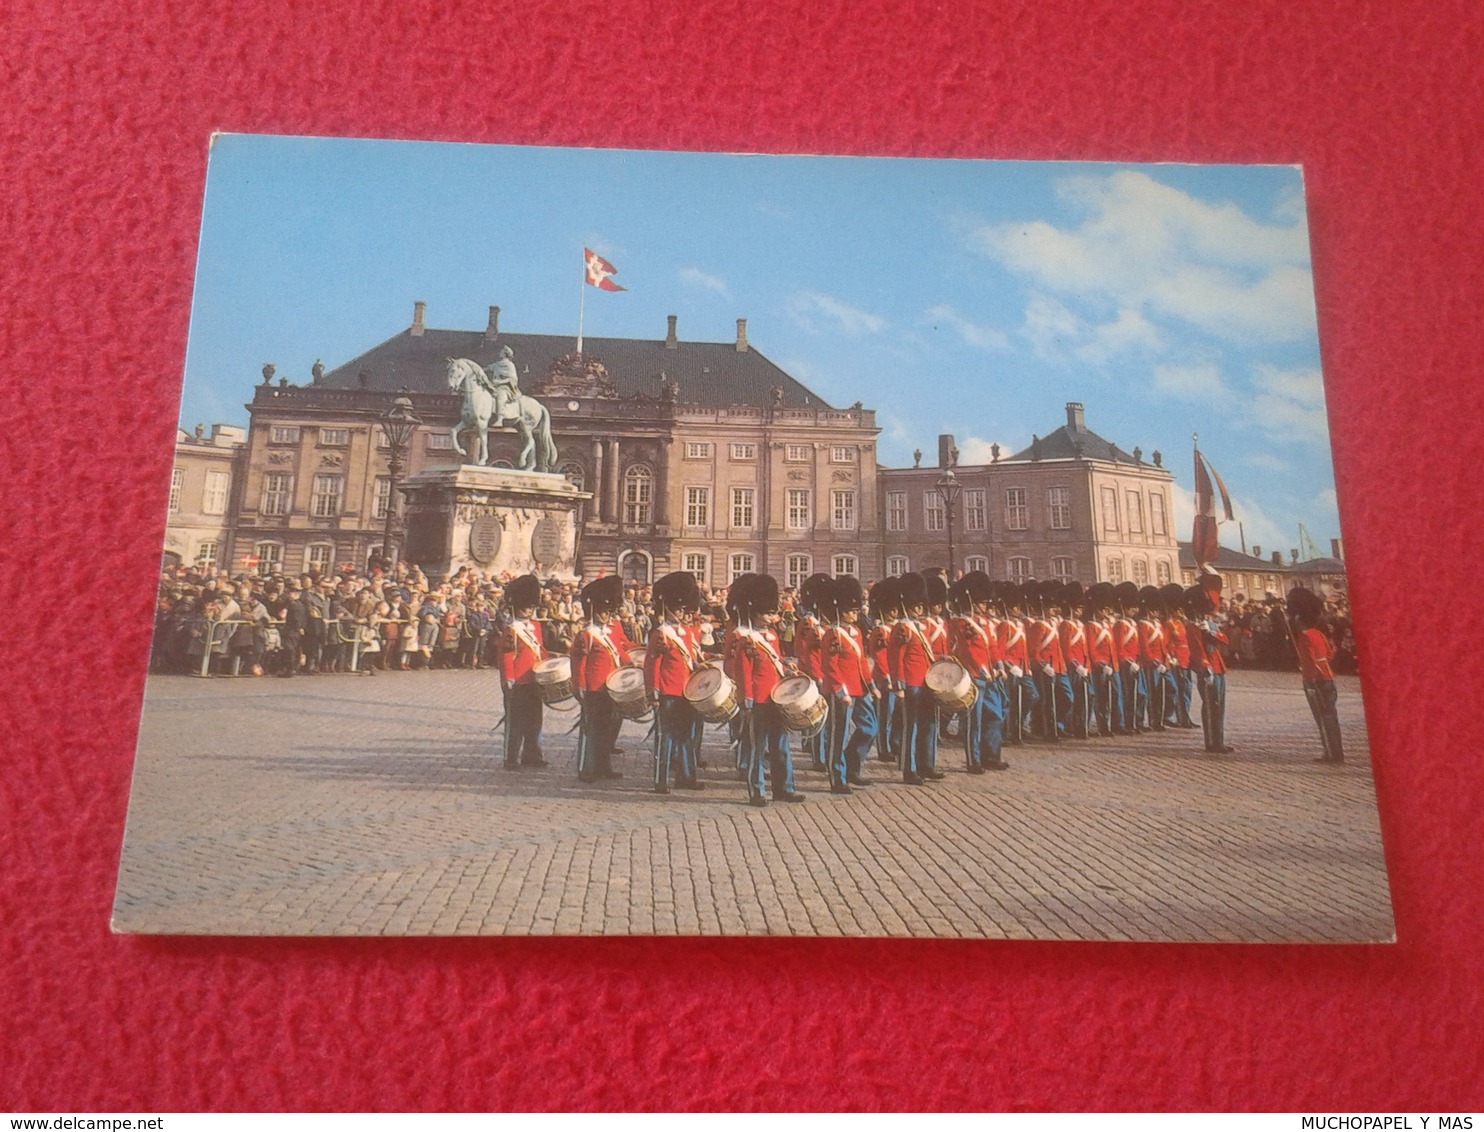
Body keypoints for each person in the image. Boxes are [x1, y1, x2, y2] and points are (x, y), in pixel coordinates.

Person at [731, 573, 805, 806]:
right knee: (756, 747)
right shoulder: (747, 640)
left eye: (773, 612)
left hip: (777, 697)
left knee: (781, 747)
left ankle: (784, 788)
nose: (772, 617)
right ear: (754, 611)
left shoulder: (771, 636)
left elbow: (777, 661)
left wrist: (788, 668)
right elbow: (743, 673)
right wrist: (747, 700)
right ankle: (757, 790)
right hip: (758, 699)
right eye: (767, 612)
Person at [644, 571, 703, 794]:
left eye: (682, 609)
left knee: (685, 735)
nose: (681, 613)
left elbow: (688, 661)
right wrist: (654, 692)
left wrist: (699, 667)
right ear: (666, 608)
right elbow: (652, 665)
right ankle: (661, 780)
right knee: (665, 736)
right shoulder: (661, 634)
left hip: (685, 690)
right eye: (677, 609)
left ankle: (687, 776)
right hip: (668, 691)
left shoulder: (685, 633)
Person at [820, 575, 876, 794]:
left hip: (859, 688)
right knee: (838, 735)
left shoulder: (856, 633)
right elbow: (830, 666)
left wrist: (870, 685)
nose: (855, 613)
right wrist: (839, 689)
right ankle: (837, 777)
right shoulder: (833, 635)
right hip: (840, 690)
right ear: (840, 610)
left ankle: (853, 765)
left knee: (870, 728)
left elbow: (861, 661)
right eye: (851, 610)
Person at [571, 575, 628, 782]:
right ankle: (586, 770)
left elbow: (620, 654)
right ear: (593, 611)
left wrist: (633, 664)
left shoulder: (609, 633)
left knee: (606, 730)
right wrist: (580, 687)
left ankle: (604, 767)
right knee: (591, 730)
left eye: (608, 612)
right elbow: (578, 663)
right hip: (593, 688)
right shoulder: (586, 635)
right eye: (603, 612)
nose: (606, 616)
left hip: (610, 687)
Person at [889, 572, 943, 784]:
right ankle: (909, 769)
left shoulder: (921, 627)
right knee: (910, 727)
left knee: (929, 723)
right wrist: (899, 684)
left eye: (921, 605)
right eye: (915, 605)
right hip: (911, 682)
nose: (919, 609)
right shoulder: (902, 628)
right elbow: (896, 658)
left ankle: (926, 764)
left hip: (926, 682)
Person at [1287, 586, 1345, 763]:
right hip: (1328, 676)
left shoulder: (1305, 636)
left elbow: (1309, 662)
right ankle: (1337, 751)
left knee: (1323, 718)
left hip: (1315, 681)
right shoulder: (1318, 633)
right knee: (1331, 715)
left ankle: (1331, 753)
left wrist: (1310, 681)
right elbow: (1330, 652)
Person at [498, 574, 548, 769]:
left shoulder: (536, 626)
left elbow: (540, 651)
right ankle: (511, 758)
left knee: (535, 720)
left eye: (531, 607)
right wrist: (508, 679)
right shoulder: (511, 630)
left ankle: (532, 755)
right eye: (525, 607)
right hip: (518, 681)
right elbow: (506, 657)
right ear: (516, 607)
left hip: (534, 679)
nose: (528, 610)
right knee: (515, 723)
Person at [1186, 585, 1234, 754]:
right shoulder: (1192, 626)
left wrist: (1211, 633)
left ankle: (1219, 740)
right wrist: (1206, 668)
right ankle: (1211, 742)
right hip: (1207, 670)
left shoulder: (1210, 623)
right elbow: (1196, 649)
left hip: (1218, 667)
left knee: (1219, 705)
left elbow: (1225, 640)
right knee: (1210, 705)